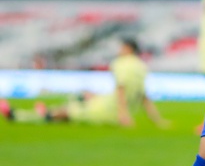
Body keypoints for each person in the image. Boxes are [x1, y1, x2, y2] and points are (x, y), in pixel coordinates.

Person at [1, 38, 168, 129]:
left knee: (67, 112)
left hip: (106, 110)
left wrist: (123, 116)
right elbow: (143, 96)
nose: (119, 51)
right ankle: (42, 112)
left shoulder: (120, 64)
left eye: (122, 48)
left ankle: (21, 116)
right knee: (84, 96)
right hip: (108, 105)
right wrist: (158, 121)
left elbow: (121, 90)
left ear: (128, 49)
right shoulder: (141, 66)